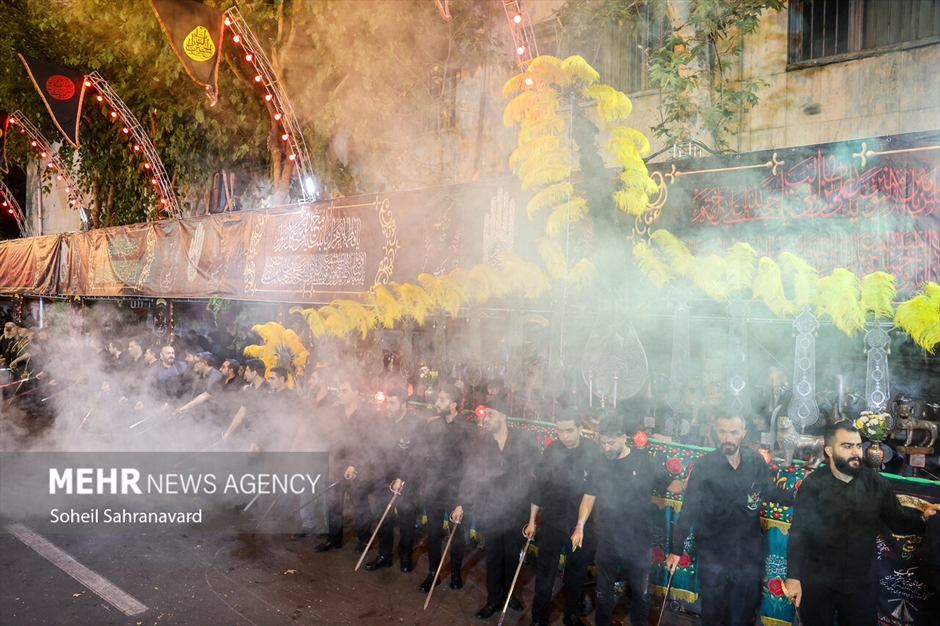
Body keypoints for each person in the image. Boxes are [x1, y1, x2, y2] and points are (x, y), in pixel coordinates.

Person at [784, 421, 937, 626]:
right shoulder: (813, 485)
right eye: (847, 446)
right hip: (818, 581)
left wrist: (924, 518)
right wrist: (793, 577)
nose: (856, 452)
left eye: (858, 445)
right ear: (829, 450)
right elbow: (799, 533)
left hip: (861, 583)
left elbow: (898, 522)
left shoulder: (876, 483)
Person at [666, 414, 793, 626]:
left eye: (734, 432)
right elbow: (690, 508)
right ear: (716, 432)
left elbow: (769, 492)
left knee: (743, 604)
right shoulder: (704, 466)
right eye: (723, 431)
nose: (728, 438)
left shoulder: (755, 461)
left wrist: (800, 496)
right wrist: (676, 550)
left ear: (743, 434)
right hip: (713, 546)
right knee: (712, 603)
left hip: (747, 547)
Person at [570, 415, 684, 626]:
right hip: (608, 537)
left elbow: (671, 484)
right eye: (603, 443)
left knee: (641, 594)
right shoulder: (600, 464)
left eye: (611, 442)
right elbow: (588, 496)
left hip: (638, 539)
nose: (607, 448)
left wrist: (687, 484)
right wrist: (579, 526)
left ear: (623, 438)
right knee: (603, 592)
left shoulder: (644, 461)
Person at [451, 396, 539, 619]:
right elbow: (471, 474)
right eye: (484, 415)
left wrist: (531, 518)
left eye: (490, 414)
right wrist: (462, 502)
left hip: (515, 510)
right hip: (490, 509)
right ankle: (493, 600)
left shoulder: (523, 442)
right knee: (493, 558)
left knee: (512, 557)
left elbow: (534, 479)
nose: (486, 419)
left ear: (503, 416)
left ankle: (510, 596)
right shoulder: (483, 444)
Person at [526, 407, 599, 626]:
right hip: (553, 519)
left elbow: (594, 490)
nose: (564, 436)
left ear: (580, 428)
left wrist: (581, 525)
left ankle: (571, 615)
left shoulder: (592, 451)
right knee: (545, 571)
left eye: (569, 430)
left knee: (577, 571)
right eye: (560, 431)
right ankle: (539, 618)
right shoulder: (552, 450)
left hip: (581, 522)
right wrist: (531, 521)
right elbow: (539, 486)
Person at [418, 383, 477, 593]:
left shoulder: (467, 429)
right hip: (435, 487)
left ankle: (455, 573)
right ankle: (433, 573)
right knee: (433, 532)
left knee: (456, 534)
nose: (436, 403)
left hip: (456, 489)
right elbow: (423, 451)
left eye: (441, 400)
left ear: (453, 404)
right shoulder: (434, 424)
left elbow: (471, 465)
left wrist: (463, 499)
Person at [314, 372, 375, 554]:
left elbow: (370, 443)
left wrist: (354, 464)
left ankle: (365, 540)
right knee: (333, 503)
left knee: (360, 504)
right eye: (339, 390)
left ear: (355, 392)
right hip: (336, 463)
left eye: (344, 391)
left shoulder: (367, 415)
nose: (340, 394)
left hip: (358, 466)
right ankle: (334, 538)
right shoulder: (336, 412)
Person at [364, 387, 420, 572]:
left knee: (406, 521)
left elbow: (415, 455)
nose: (388, 406)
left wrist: (402, 478)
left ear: (403, 404)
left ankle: (405, 557)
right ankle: (384, 555)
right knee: (382, 517)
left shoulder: (413, 424)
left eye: (393, 403)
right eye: (388, 402)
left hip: (406, 480)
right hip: (383, 478)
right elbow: (377, 448)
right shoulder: (384, 422)